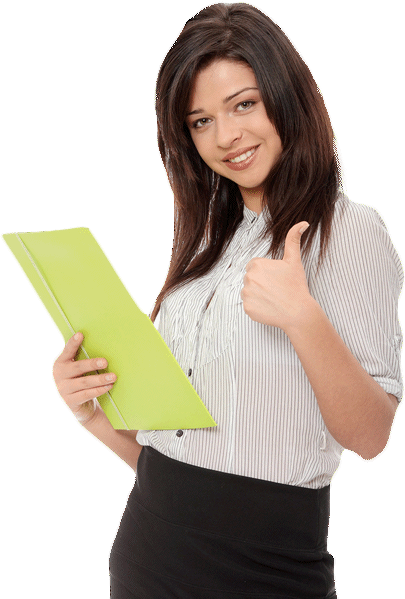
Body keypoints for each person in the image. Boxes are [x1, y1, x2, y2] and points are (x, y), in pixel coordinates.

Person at [52, 3, 403, 598]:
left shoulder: (349, 231)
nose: (226, 137)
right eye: (200, 121)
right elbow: (178, 460)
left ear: (287, 97)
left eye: (243, 104)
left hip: (265, 570)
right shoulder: (209, 240)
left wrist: (302, 317)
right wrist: (88, 414)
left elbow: (372, 437)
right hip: (146, 556)